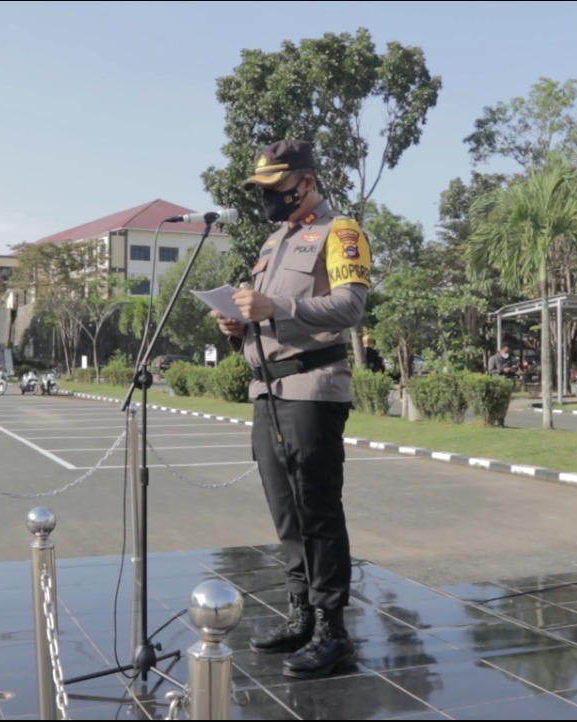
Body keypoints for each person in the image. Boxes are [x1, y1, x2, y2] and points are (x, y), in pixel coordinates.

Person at [212, 139, 371, 680]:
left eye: (276, 189)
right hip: (267, 391)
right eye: (262, 191)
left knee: (318, 509)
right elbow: (267, 319)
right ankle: (300, 615)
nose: (268, 201)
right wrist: (238, 327)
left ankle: (333, 630)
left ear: (305, 183)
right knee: (286, 513)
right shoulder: (272, 242)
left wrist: (273, 306)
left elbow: (349, 307)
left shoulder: (339, 232)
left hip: (312, 388)